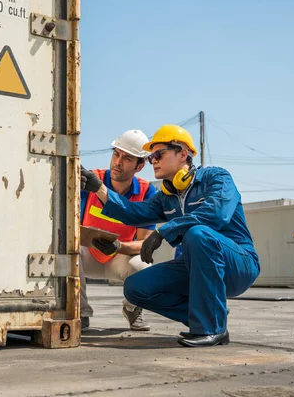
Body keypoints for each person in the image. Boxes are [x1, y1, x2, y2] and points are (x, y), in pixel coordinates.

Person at [80, 124, 260, 347]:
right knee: (136, 288)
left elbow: (216, 214)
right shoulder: (166, 196)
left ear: (183, 153)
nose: (153, 160)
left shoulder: (217, 178)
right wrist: (99, 189)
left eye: (159, 154)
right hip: (193, 266)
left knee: (198, 233)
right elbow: (132, 212)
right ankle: (210, 314)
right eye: (151, 156)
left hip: (238, 263)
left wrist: (165, 230)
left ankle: (212, 328)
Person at [80, 129, 158, 331]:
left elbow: (144, 243)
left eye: (127, 158)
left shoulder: (146, 192)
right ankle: (80, 313)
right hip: (87, 255)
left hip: (118, 256)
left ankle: (132, 309)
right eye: (116, 154)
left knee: (144, 265)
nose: (118, 162)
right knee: (68, 254)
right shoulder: (91, 181)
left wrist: (118, 246)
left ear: (140, 165)